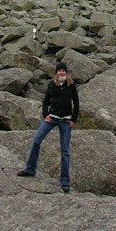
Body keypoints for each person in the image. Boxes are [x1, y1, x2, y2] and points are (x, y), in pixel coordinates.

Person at [17, 61, 79, 193]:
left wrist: (73, 119)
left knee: (65, 151)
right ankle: (30, 169)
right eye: (59, 70)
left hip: (66, 121)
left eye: (63, 70)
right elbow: (45, 101)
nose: (61, 72)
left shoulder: (71, 85)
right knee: (36, 140)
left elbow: (76, 103)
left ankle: (64, 181)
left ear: (66, 72)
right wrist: (45, 114)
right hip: (52, 118)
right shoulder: (52, 84)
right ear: (56, 72)